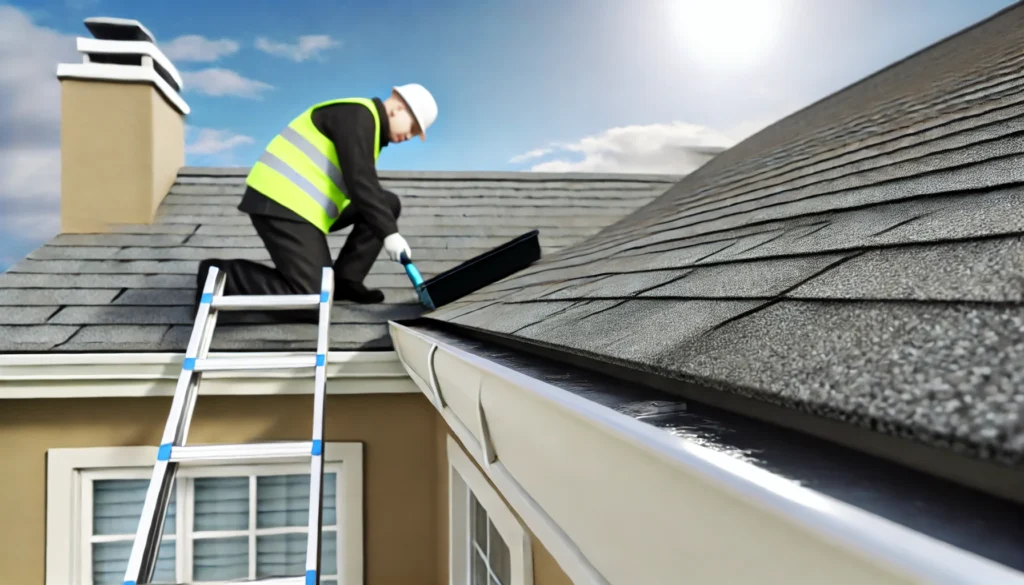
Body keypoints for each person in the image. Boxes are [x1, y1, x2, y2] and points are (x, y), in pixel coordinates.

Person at [192, 84, 438, 316]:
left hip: (308, 206)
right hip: (281, 200)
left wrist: (385, 226)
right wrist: (389, 233)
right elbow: (361, 180)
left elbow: (362, 188)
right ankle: (218, 276)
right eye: (414, 128)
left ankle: (345, 282)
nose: (411, 136)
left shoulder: (367, 127)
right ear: (399, 108)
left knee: (387, 203)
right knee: (312, 298)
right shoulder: (358, 115)